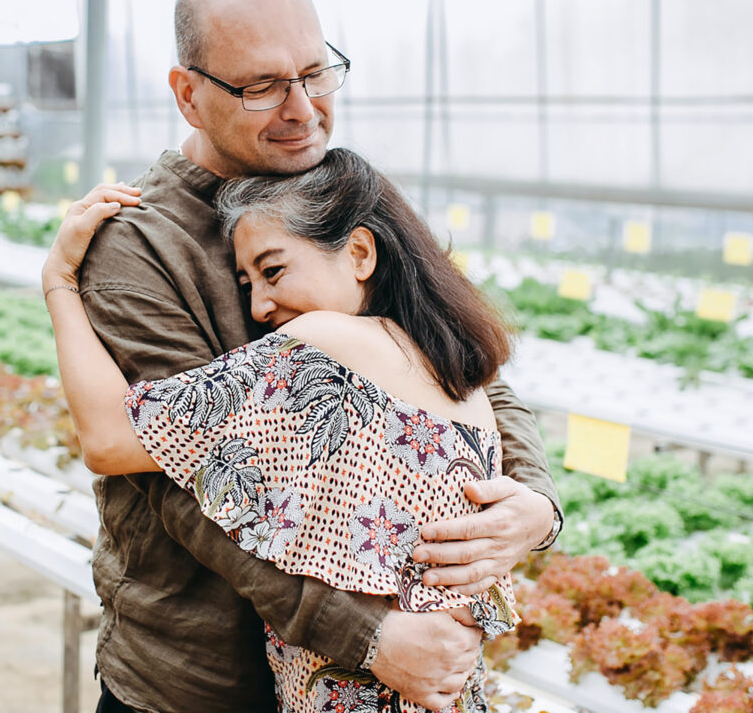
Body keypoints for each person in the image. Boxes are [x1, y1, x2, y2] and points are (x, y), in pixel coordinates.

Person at [63, 0, 562, 713]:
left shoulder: (332, 185)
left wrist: (532, 502)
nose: (302, 109)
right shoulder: (138, 243)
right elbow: (181, 485)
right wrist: (366, 637)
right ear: (187, 94)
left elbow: (458, 356)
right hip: (203, 681)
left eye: (316, 72)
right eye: (261, 86)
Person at [42, 147, 520, 713]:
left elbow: (107, 438)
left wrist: (59, 283)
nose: (261, 305)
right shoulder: (458, 376)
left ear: (360, 252)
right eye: (246, 284)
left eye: (272, 270)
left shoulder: (326, 346)